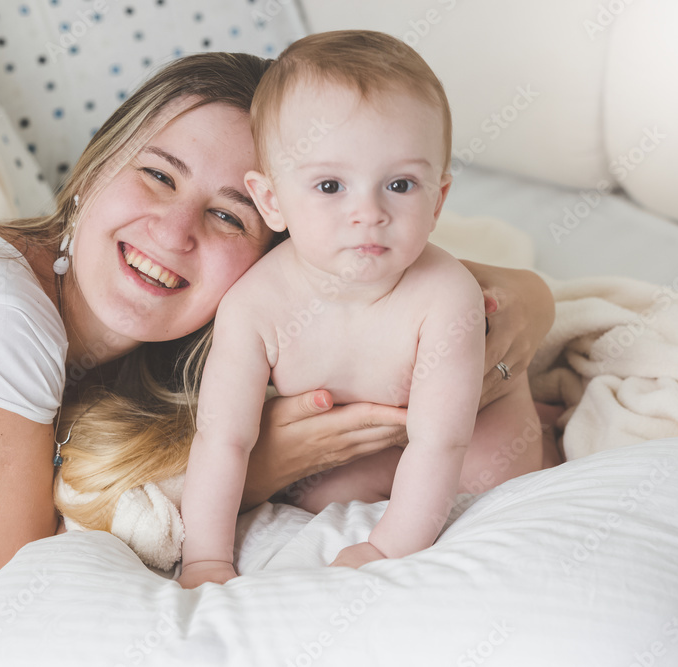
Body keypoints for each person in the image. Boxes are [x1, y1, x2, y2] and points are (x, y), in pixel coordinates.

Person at [0, 50, 555, 591]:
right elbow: (26, 576)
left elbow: (383, 266)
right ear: (92, 172)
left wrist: (525, 297)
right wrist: (257, 469)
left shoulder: (207, 330)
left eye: (228, 216)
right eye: (156, 175)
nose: (175, 231)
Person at [178, 31, 551, 589]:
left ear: (438, 200)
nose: (368, 213)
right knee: (319, 494)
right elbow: (222, 439)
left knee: (501, 482)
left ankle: (547, 434)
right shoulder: (254, 307)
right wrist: (205, 560)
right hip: (367, 446)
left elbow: (439, 441)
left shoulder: (444, 293)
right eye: (331, 185)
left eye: (400, 185)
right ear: (271, 200)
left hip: (466, 433)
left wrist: (387, 546)